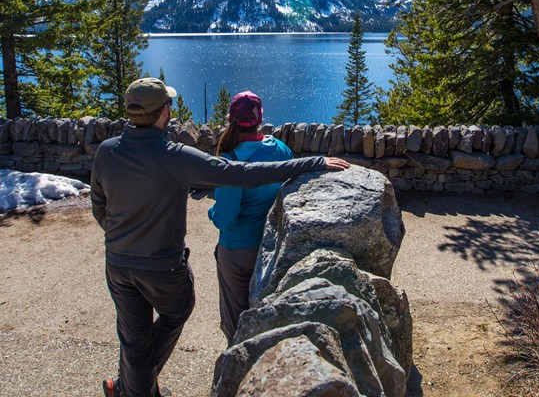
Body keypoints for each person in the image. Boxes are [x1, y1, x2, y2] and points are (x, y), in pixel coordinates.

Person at [90, 78, 349, 397]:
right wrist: (314, 161)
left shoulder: (106, 151)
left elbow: (99, 204)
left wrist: (121, 238)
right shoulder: (174, 156)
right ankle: (135, 386)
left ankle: (132, 387)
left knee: (134, 336)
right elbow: (241, 174)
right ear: (165, 112)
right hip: (161, 267)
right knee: (176, 311)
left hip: (117, 263)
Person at [208, 91, 291, 345]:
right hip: (271, 243)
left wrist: (212, 212)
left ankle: (236, 360)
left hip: (238, 249)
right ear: (260, 119)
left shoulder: (230, 163)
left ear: (231, 120)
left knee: (236, 315)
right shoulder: (280, 150)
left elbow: (225, 219)